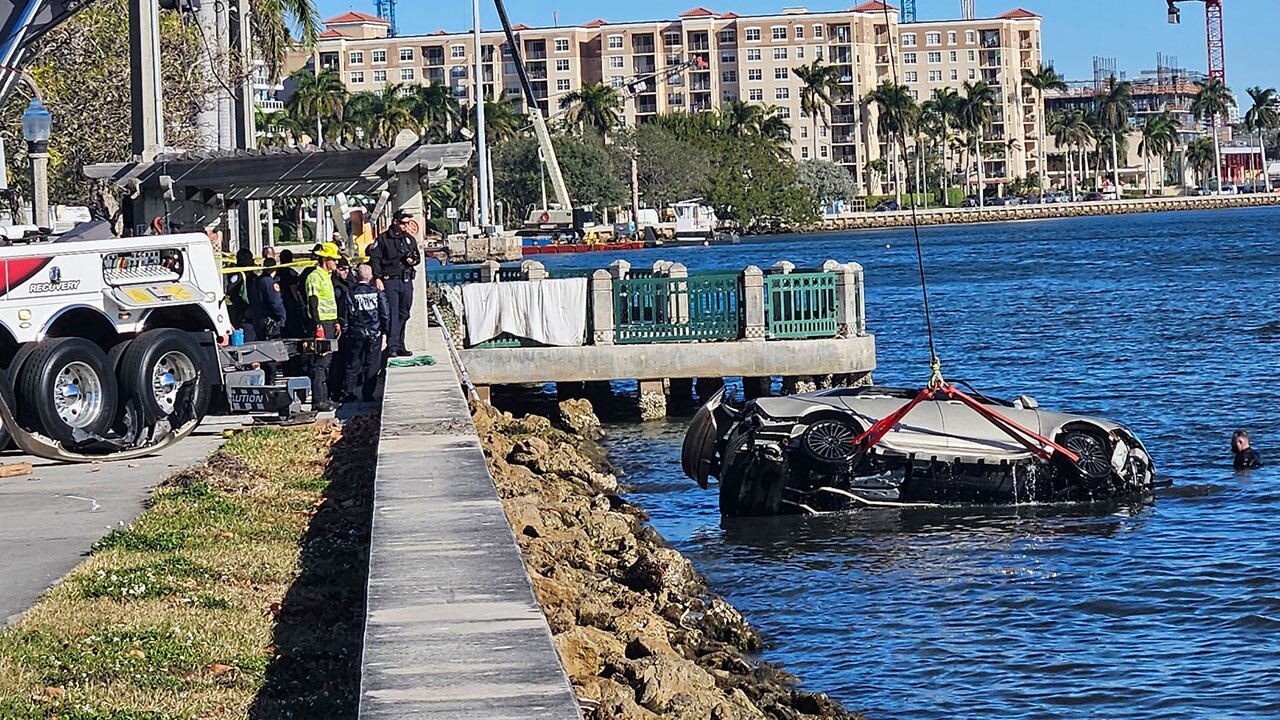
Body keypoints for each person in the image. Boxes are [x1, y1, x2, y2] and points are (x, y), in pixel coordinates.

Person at [369, 210, 422, 357]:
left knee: (404, 313)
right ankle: (392, 346)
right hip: (390, 280)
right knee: (392, 314)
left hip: (406, 280)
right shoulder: (383, 239)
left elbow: (416, 257)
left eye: (408, 223)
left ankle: (400, 344)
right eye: (404, 223)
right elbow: (375, 259)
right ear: (395, 222)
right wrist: (377, 278)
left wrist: (413, 261)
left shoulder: (409, 239)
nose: (406, 226)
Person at [341, 264, 389, 402]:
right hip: (374, 333)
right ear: (371, 276)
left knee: (352, 364)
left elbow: (344, 315)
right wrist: (385, 331)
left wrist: (345, 331)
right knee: (372, 365)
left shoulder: (349, 293)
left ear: (357, 276)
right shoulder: (377, 292)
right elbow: (385, 313)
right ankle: (368, 394)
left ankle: (348, 393)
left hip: (355, 333)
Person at [304, 242, 342, 412]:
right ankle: (319, 400)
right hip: (320, 325)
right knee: (320, 362)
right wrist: (318, 325)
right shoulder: (315, 276)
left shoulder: (327, 276)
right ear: (325, 259)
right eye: (333, 259)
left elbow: (330, 302)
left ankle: (325, 398)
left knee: (328, 362)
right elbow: (313, 303)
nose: (336, 263)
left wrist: (335, 322)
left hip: (329, 323)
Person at [253, 258, 287, 384]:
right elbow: (275, 303)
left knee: (262, 350)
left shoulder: (257, 281)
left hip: (258, 320)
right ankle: (271, 380)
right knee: (271, 352)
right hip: (270, 323)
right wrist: (282, 317)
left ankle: (267, 378)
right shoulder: (270, 283)